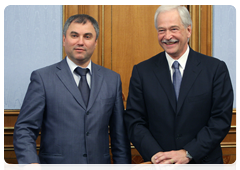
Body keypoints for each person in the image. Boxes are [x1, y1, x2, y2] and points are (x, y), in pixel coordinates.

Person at [13, 14, 131, 170]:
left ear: (95, 42)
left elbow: (119, 136)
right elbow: (25, 128)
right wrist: (29, 161)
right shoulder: (42, 78)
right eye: (74, 35)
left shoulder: (112, 79)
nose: (80, 42)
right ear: (64, 40)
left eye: (87, 36)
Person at [124, 5, 233, 170]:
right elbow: (134, 121)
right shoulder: (142, 71)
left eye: (174, 29)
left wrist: (188, 152)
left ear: (188, 30)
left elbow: (220, 120)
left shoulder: (215, 69)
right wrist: (157, 156)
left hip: (203, 164)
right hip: (159, 166)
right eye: (161, 30)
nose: (167, 36)